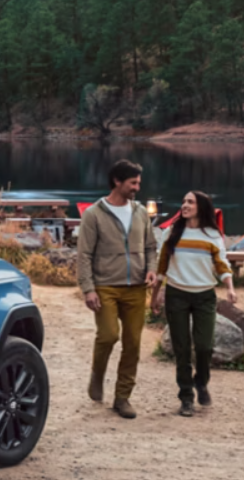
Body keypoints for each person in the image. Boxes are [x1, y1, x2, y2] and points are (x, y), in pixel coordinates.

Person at [77, 159, 159, 419]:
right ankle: (97, 375)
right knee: (109, 335)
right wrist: (88, 289)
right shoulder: (94, 214)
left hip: (136, 287)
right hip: (105, 287)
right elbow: (84, 254)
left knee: (133, 343)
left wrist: (152, 269)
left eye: (138, 183)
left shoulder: (140, 212)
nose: (137, 187)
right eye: (133, 183)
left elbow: (150, 247)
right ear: (117, 182)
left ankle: (122, 397)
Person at [151, 191, 236, 417]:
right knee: (181, 349)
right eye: (184, 201)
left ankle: (201, 381)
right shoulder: (172, 232)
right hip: (176, 294)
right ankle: (186, 397)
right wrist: (155, 294)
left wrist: (229, 286)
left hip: (204, 296)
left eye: (190, 202)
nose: (185, 205)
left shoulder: (212, 235)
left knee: (204, 346)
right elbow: (161, 266)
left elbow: (221, 263)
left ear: (202, 207)